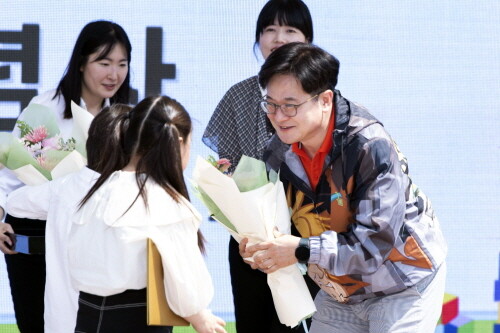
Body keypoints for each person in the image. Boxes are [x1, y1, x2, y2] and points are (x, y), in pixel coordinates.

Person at [239, 42, 448, 333]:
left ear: (325, 100)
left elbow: (374, 245)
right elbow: (277, 222)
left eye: (290, 105)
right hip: (340, 290)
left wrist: (299, 250)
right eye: (271, 104)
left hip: (402, 283)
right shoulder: (277, 152)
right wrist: (260, 243)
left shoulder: (369, 146)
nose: (278, 116)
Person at [0, 20, 132, 332]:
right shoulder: (48, 109)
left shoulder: (125, 116)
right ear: (82, 63)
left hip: (96, 244)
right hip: (37, 242)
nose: (114, 74)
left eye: (122, 64)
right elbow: (10, 176)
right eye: (104, 62)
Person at [202, 1, 319, 331]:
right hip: (250, 238)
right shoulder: (238, 95)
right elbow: (227, 168)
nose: (278, 38)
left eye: (289, 30)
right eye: (269, 30)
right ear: (258, 40)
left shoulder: (321, 98)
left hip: (306, 234)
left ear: (307, 41)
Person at [65, 96, 227, 333]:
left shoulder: (100, 189)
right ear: (179, 142)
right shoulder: (167, 203)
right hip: (139, 320)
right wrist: (200, 317)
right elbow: (187, 290)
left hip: (88, 316)